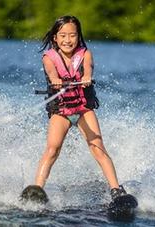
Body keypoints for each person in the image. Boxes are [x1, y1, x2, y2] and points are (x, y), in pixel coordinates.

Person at [32, 15, 127, 200]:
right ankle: (37, 189)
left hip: (83, 109)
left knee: (97, 146)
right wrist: (56, 81)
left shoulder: (86, 54)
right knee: (52, 149)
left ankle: (116, 190)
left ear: (78, 36)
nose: (68, 40)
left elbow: (88, 68)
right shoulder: (48, 58)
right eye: (63, 35)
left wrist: (86, 77)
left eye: (72, 35)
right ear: (55, 38)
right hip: (61, 110)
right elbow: (52, 75)